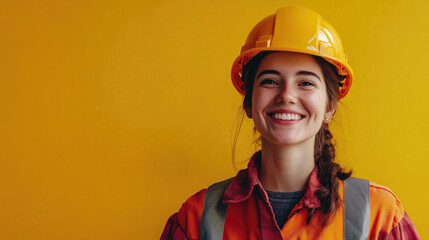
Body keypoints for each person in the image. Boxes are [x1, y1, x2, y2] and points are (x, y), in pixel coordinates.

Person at [160, 6, 421, 240]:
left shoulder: (380, 217)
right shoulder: (195, 220)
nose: (286, 95)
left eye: (306, 82)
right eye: (270, 81)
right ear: (249, 103)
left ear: (330, 106)